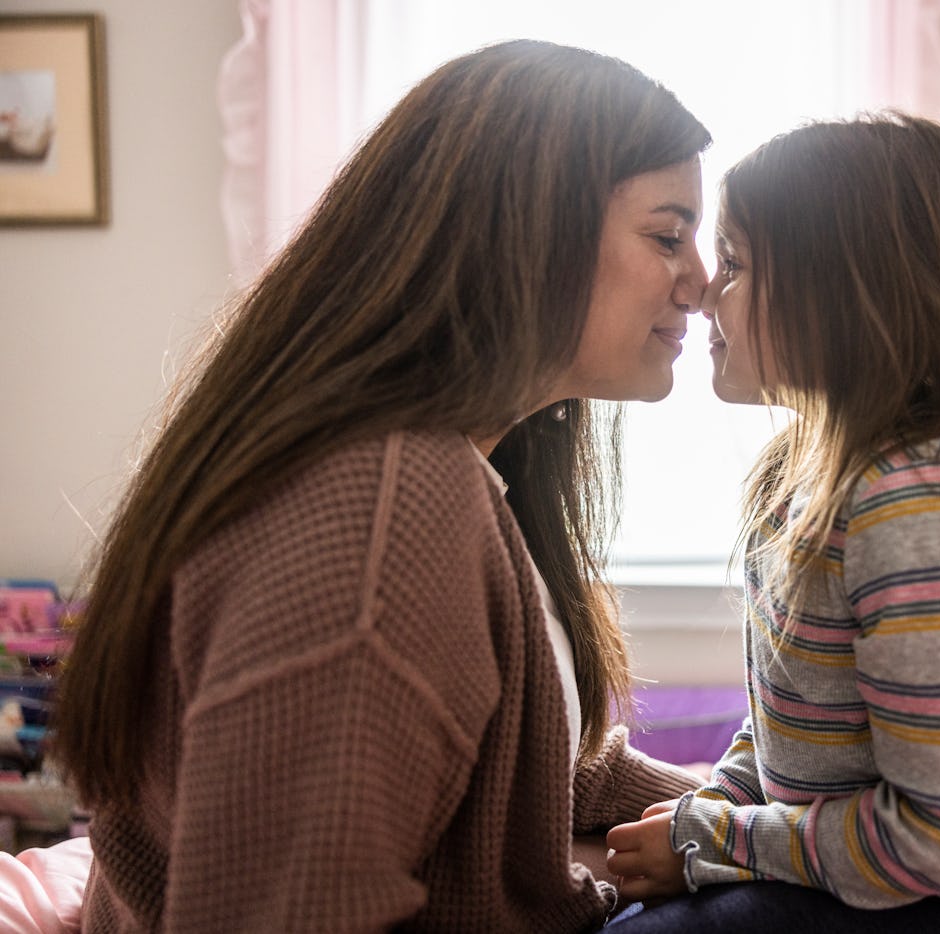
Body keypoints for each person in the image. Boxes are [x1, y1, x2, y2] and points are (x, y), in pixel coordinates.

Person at [53, 40, 713, 933]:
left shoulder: (455, 466)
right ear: (530, 224)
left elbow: (526, 759)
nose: (701, 283)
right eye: (668, 235)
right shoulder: (382, 509)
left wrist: (739, 817)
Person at [605, 113, 940, 931]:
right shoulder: (794, 476)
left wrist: (722, 837)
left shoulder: (917, 514)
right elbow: (785, 720)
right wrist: (713, 807)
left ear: (842, 296)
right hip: (872, 882)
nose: (698, 291)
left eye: (732, 262)